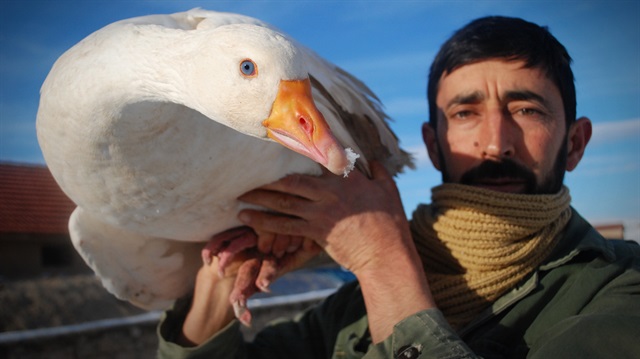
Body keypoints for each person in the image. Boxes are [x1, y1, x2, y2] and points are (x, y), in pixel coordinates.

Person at [157, 16, 640, 358]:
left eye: (526, 110)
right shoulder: (352, 307)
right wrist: (221, 281)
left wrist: (381, 259)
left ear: (574, 143)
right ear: (432, 145)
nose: (495, 144)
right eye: (465, 114)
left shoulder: (620, 292)